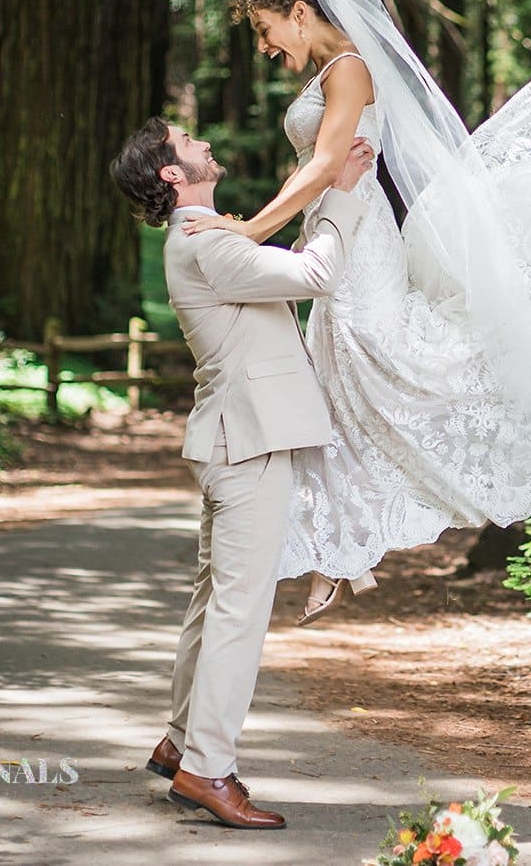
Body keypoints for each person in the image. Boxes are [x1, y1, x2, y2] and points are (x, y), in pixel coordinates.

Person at [185, 0, 531, 626]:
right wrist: (290, 228)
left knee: (390, 368)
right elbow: (319, 167)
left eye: (268, 30)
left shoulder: (350, 70)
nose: (266, 47)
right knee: (335, 385)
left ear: (300, 13)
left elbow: (331, 166)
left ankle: (341, 551)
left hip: (361, 245)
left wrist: (248, 230)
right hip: (340, 233)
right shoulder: (330, 74)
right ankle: (338, 553)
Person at [108, 117, 375, 829]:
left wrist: (320, 194)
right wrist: (341, 192)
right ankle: (207, 768)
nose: (203, 141)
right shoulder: (206, 242)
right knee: (238, 609)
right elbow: (315, 274)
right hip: (249, 443)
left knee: (213, 599)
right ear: (172, 172)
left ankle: (179, 739)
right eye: (189, 139)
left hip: (234, 439)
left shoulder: (209, 236)